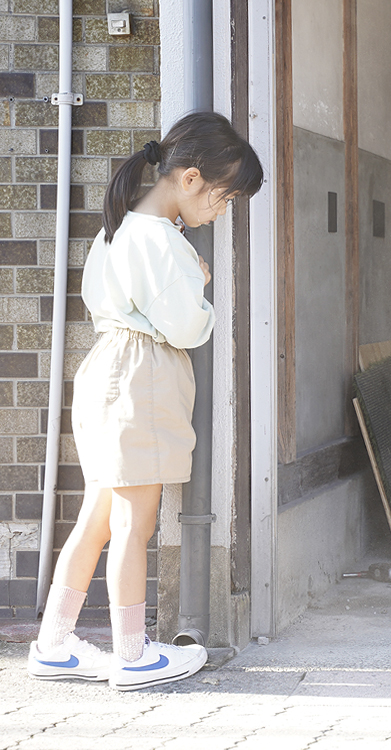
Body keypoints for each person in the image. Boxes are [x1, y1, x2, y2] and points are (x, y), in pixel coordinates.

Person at [27, 111, 263, 690]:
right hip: (141, 375)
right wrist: (200, 289)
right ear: (190, 179)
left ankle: (54, 645)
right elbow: (185, 326)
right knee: (137, 520)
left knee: (99, 516)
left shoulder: (123, 225)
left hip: (108, 369)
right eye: (224, 197)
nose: (222, 210)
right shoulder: (162, 241)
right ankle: (133, 655)